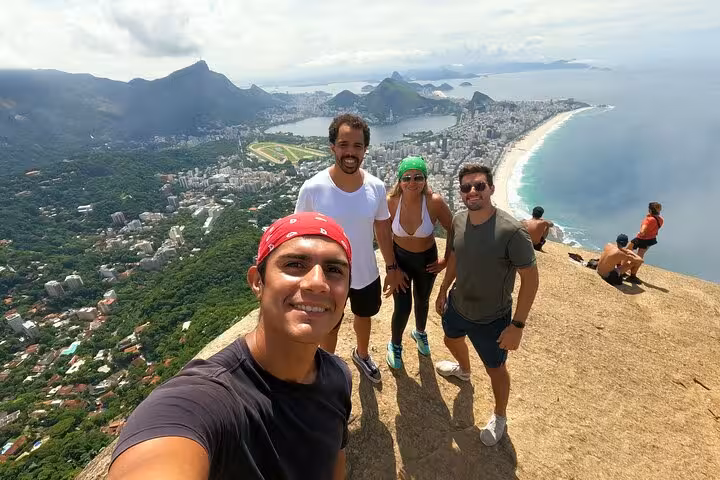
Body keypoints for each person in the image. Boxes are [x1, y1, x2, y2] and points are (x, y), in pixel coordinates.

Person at [108, 213, 354, 480]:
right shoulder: (207, 399)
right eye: (295, 264)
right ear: (258, 282)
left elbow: (334, 459)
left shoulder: (338, 375)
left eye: (334, 270)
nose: (318, 282)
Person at [295, 114, 406, 383]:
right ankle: (326, 368)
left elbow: (382, 229)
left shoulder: (376, 187)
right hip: (328, 276)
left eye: (357, 146)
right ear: (332, 146)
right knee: (329, 324)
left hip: (365, 271)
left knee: (364, 316)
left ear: (365, 150)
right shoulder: (313, 188)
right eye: (344, 144)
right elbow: (299, 233)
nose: (350, 152)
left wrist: (391, 267)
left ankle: (362, 354)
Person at [434, 163, 539, 447]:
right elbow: (455, 256)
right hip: (458, 303)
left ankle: (500, 415)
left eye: (479, 185)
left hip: (493, 317)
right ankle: (464, 370)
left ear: (491, 188)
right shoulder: (458, 220)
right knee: (450, 338)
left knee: (496, 369)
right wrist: (443, 289)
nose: (472, 191)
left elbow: (531, 279)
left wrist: (517, 326)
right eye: (466, 187)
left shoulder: (511, 232)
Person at [385, 156, 453, 370]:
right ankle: (395, 345)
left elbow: (454, 229)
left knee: (422, 301)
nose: (412, 182)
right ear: (399, 180)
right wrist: (393, 266)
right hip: (401, 259)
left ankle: (420, 332)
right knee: (402, 307)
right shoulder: (391, 202)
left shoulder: (434, 202)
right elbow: (383, 235)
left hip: (426, 260)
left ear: (425, 179)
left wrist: (446, 260)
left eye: (418, 177)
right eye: (406, 178)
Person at [626, 202, 664, 284]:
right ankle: (633, 275)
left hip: (640, 239)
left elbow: (642, 231)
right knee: (639, 257)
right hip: (650, 240)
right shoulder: (660, 220)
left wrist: (641, 232)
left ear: (650, 210)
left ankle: (621, 270)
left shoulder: (648, 220)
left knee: (626, 252)